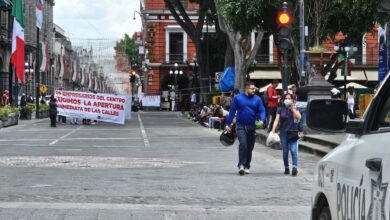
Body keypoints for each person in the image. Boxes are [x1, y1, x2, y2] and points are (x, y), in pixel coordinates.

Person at [225, 81, 266, 175]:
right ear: (246, 89)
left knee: (250, 147)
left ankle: (247, 165)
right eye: (252, 89)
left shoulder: (258, 99)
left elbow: (262, 110)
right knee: (243, 144)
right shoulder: (237, 98)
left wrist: (262, 119)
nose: (254, 90)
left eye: (254, 89)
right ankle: (241, 165)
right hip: (240, 126)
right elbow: (232, 111)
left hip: (252, 126)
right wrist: (228, 124)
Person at [271, 93, 301, 176]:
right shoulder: (280, 109)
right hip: (283, 132)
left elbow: (299, 117)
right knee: (285, 151)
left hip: (293, 131)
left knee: (294, 150)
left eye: (289, 98)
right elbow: (277, 120)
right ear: (283, 100)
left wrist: (293, 109)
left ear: (292, 100)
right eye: (286, 98)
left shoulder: (296, 108)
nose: (287, 100)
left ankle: (294, 167)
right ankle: (286, 167)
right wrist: (273, 130)